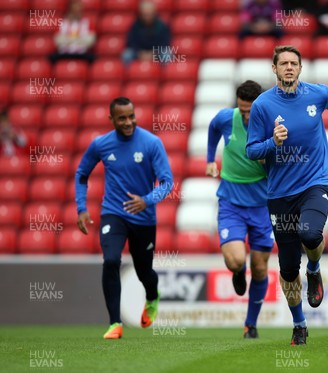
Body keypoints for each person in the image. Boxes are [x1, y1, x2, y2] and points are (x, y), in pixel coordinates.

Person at [246, 45, 328, 345]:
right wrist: (273, 142)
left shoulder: (318, 94)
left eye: (294, 63)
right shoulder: (263, 106)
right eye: (284, 64)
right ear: (274, 68)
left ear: (301, 68)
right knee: (289, 268)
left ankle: (315, 268)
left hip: (314, 183)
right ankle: (299, 324)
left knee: (310, 232)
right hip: (280, 193)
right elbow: (252, 150)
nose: (289, 68)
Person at [75, 97, 173, 339]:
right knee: (110, 261)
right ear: (112, 119)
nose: (128, 122)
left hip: (144, 218)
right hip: (113, 213)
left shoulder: (152, 143)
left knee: (144, 273)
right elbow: (82, 174)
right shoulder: (101, 145)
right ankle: (114, 324)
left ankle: (152, 296)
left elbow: (168, 182)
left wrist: (146, 200)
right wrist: (81, 208)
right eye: (122, 118)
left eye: (131, 116)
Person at [206, 80, 274, 339]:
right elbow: (212, 128)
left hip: (262, 206)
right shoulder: (226, 118)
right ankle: (236, 272)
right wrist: (210, 159)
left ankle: (251, 324)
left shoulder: (271, 125)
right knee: (235, 260)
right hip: (231, 202)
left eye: (250, 110)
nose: (246, 115)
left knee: (259, 267)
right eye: (242, 109)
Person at [122, 0, 171, 66]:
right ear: (141, 14)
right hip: (139, 53)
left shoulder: (162, 26)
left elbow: (165, 43)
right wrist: (140, 53)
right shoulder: (135, 26)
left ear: (154, 13)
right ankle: (128, 75)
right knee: (127, 55)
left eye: (149, 14)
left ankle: (165, 75)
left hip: (156, 53)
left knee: (167, 54)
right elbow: (131, 42)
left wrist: (153, 53)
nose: (147, 17)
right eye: (145, 14)